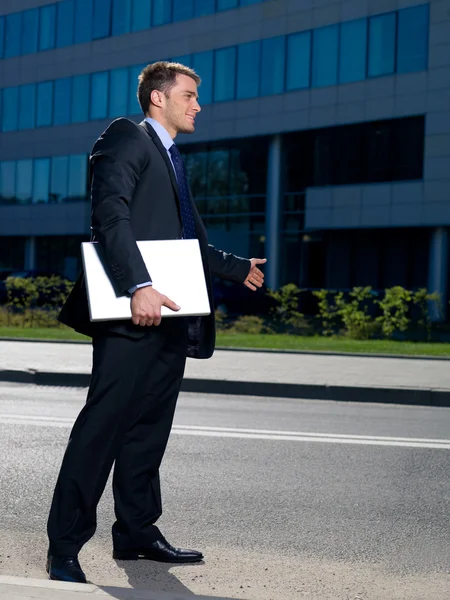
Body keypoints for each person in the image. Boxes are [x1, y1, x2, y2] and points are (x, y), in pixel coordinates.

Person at [46, 61, 267, 584]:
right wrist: (137, 286)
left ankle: (138, 532)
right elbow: (110, 217)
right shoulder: (127, 137)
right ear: (157, 99)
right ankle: (64, 545)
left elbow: (186, 244)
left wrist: (239, 269)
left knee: (148, 432)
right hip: (132, 313)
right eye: (189, 95)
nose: (198, 105)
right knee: (101, 430)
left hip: (171, 317)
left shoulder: (171, 159)